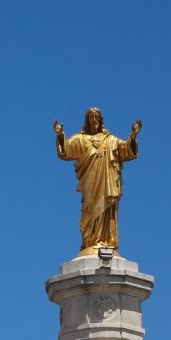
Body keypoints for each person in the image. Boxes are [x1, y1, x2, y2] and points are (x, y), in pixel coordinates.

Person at [54, 108, 141, 253]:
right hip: (90, 182)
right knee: (89, 210)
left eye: (96, 117)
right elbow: (67, 150)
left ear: (100, 120)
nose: (94, 120)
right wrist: (60, 135)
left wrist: (132, 136)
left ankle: (105, 240)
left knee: (107, 207)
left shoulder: (110, 140)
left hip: (107, 182)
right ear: (87, 121)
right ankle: (90, 240)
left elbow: (125, 149)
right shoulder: (81, 139)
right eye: (91, 118)